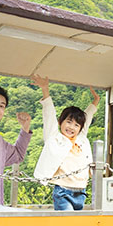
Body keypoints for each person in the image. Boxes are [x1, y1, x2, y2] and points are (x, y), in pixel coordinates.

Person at [31, 75, 100, 211]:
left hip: (81, 191)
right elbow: (49, 114)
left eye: (76, 125)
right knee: (67, 223)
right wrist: (45, 90)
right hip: (63, 191)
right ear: (60, 122)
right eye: (68, 122)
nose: (71, 127)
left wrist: (96, 101)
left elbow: (87, 116)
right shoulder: (54, 138)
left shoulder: (81, 139)